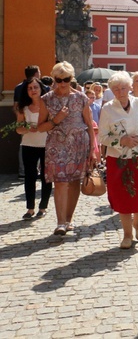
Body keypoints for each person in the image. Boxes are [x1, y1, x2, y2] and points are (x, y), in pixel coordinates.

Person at [37, 61, 99, 236]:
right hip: (57, 147)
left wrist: (93, 150)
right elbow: (40, 127)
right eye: (59, 79)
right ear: (54, 79)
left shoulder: (81, 98)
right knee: (61, 183)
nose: (62, 83)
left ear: (71, 79)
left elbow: (89, 125)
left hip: (79, 145)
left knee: (74, 183)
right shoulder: (46, 99)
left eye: (66, 79)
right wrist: (56, 119)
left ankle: (69, 219)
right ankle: (60, 222)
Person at [98, 72, 138, 249]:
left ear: (130, 87)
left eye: (123, 87)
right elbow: (102, 136)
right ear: (111, 91)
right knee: (122, 195)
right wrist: (121, 141)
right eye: (116, 89)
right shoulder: (107, 108)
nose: (120, 91)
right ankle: (127, 234)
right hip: (118, 158)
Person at [15, 78, 51, 220]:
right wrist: (27, 128)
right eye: (30, 88)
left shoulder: (47, 106)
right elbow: (18, 129)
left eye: (35, 87)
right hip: (28, 144)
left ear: (41, 89)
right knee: (29, 176)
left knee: (46, 176)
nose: (33, 90)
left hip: (46, 144)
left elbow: (53, 124)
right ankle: (30, 208)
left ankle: (43, 207)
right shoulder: (23, 107)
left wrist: (42, 127)